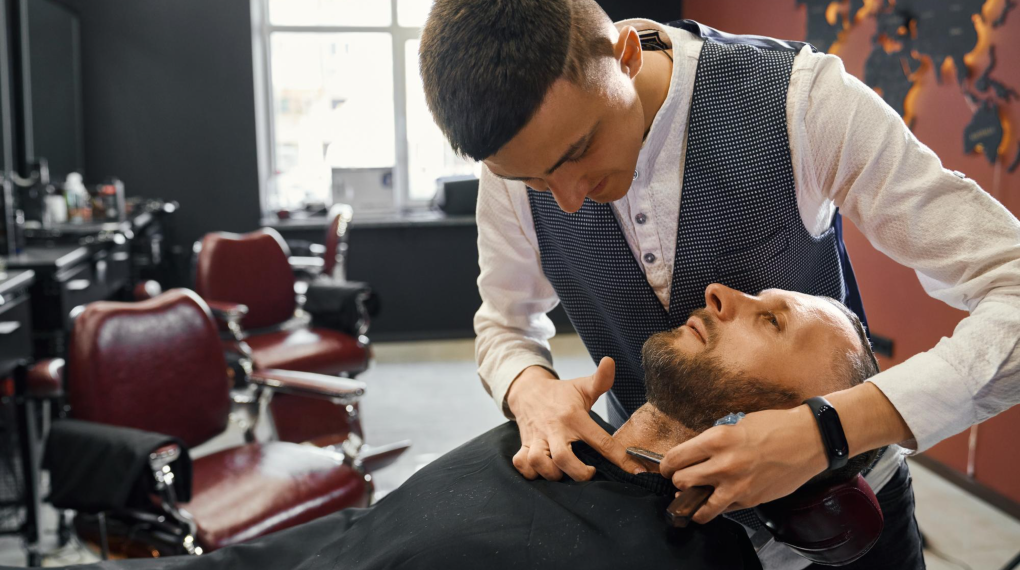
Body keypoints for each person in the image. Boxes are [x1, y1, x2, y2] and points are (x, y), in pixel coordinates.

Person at [419, 1, 1020, 568]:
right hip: (661, 518)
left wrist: (830, 429)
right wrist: (529, 389)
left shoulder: (804, 100)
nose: (569, 200)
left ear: (626, 55)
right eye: (534, 180)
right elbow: (505, 322)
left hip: (838, 501)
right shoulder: (519, 164)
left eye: (580, 149)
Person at [23, 286, 884, 570]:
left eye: (770, 322)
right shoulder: (556, 431)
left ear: (773, 430)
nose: (724, 293)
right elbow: (360, 538)